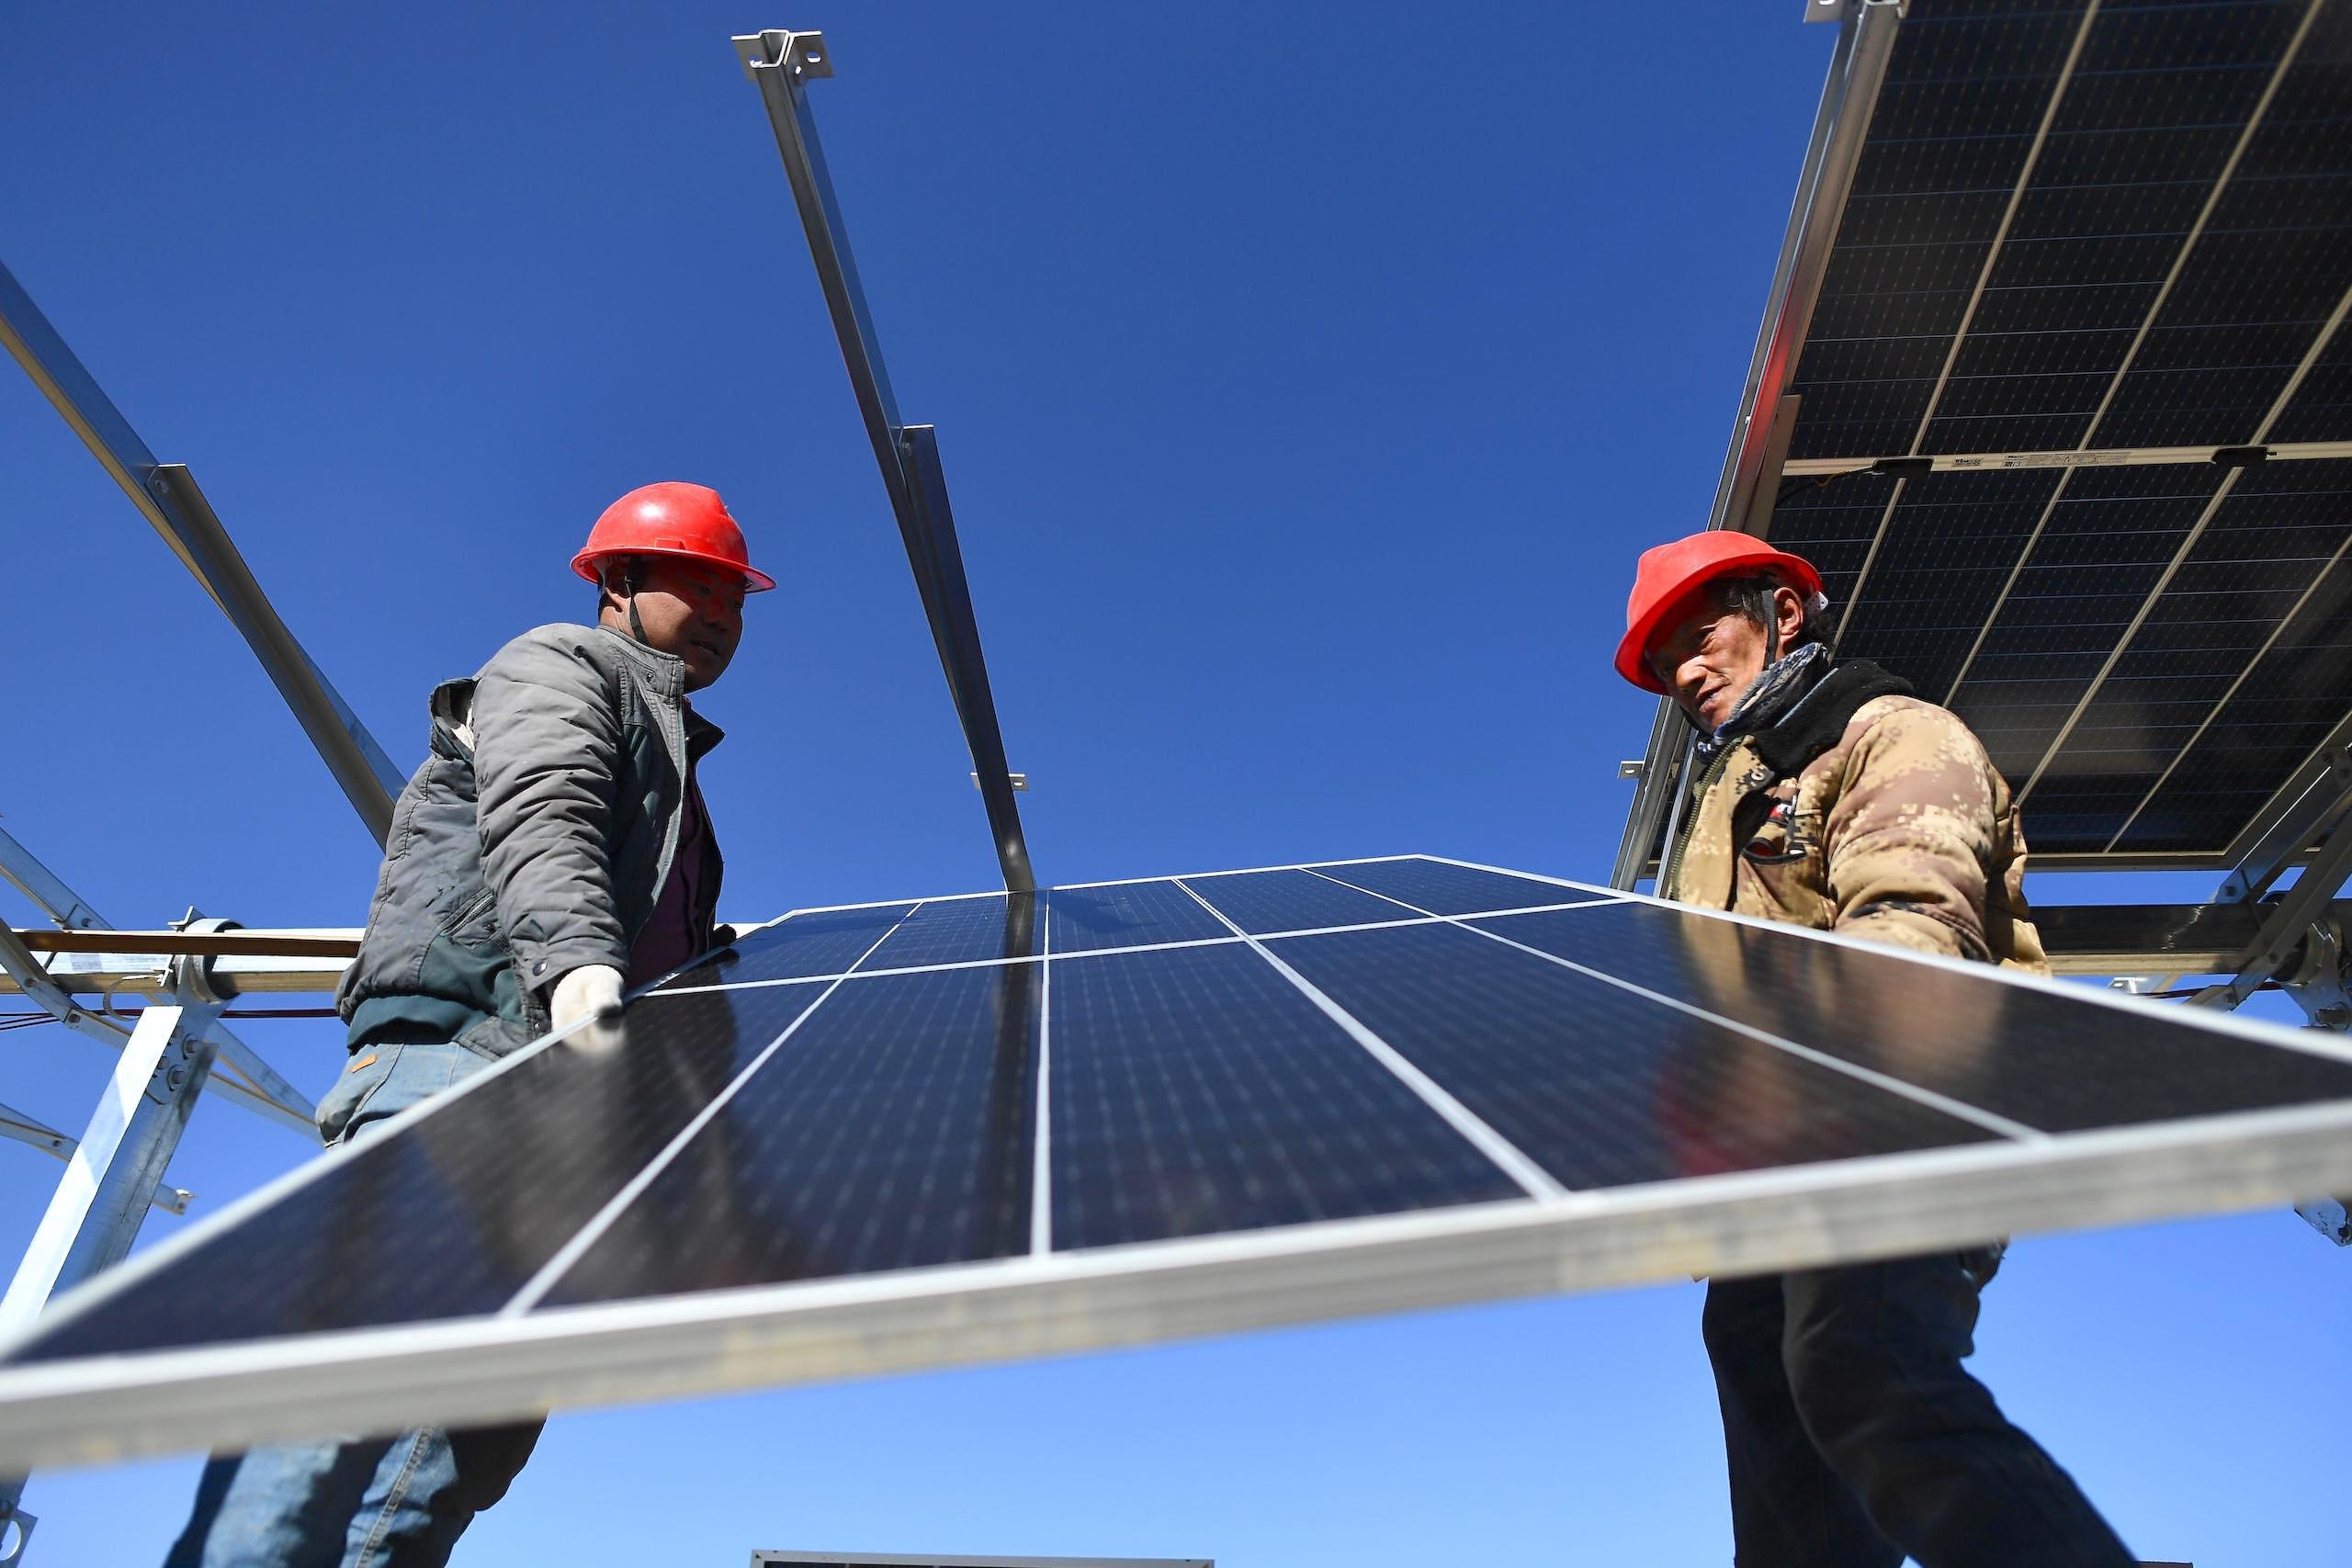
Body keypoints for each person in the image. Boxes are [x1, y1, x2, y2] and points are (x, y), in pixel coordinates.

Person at [164, 480, 775, 1568]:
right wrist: (578, 966)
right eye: (699, 580)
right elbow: (546, 805)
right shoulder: (557, 665)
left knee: (449, 1459)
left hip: (574, 1134)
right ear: (619, 583)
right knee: (342, 1395)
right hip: (468, 1063)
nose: (725, 612)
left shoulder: (686, 789)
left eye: (737, 593)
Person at [1615, 530, 2135, 1568]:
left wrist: (1824, 1074)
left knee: (1860, 1359)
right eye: (1664, 659)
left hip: (1906, 1105)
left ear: (1783, 616)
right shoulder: (1726, 799)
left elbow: (1913, 918)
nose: (1685, 672)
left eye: (1702, 634)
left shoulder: (1894, 734)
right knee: (1770, 1416)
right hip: (1774, 1163)